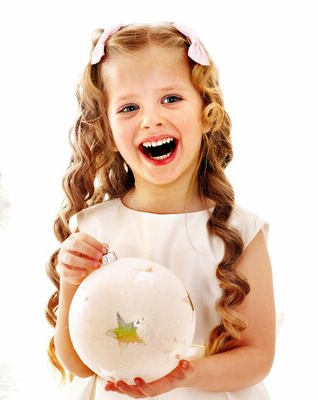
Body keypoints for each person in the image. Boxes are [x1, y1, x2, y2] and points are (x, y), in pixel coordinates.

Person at [44, 22, 276, 399]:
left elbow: (258, 355)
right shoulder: (94, 229)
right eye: (130, 107)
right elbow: (79, 364)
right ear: (107, 128)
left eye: (171, 98)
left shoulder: (239, 232)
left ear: (207, 110)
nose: (151, 119)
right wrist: (71, 284)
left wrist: (182, 376)